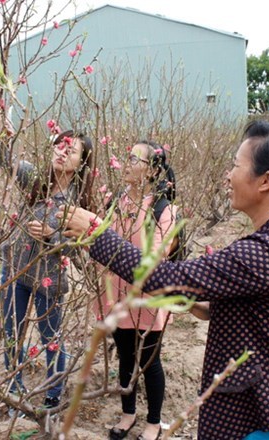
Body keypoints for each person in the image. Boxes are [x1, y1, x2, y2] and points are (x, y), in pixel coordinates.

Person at [58, 121, 269, 439]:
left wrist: (96, 235)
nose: (228, 176)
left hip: (259, 425)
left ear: (265, 181)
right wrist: (204, 302)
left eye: (235, 165)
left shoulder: (266, 251)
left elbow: (166, 276)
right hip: (265, 416)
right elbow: (258, 312)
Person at [0, 130, 93, 409]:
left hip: (48, 280)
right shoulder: (35, 179)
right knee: (11, 331)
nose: (63, 152)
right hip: (15, 269)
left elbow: (78, 249)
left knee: (51, 338)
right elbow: (5, 159)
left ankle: (53, 394)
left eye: (71, 150)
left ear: (81, 162)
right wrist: (5, 137)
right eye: (60, 145)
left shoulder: (77, 203)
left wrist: (53, 235)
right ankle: (14, 387)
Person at [101, 141, 177, 440]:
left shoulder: (162, 209)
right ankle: (128, 413)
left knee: (149, 362)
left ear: (151, 170)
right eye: (127, 157)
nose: (127, 163)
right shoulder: (115, 202)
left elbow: (154, 261)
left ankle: (154, 421)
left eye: (134, 159)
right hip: (118, 296)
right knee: (124, 357)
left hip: (148, 298)